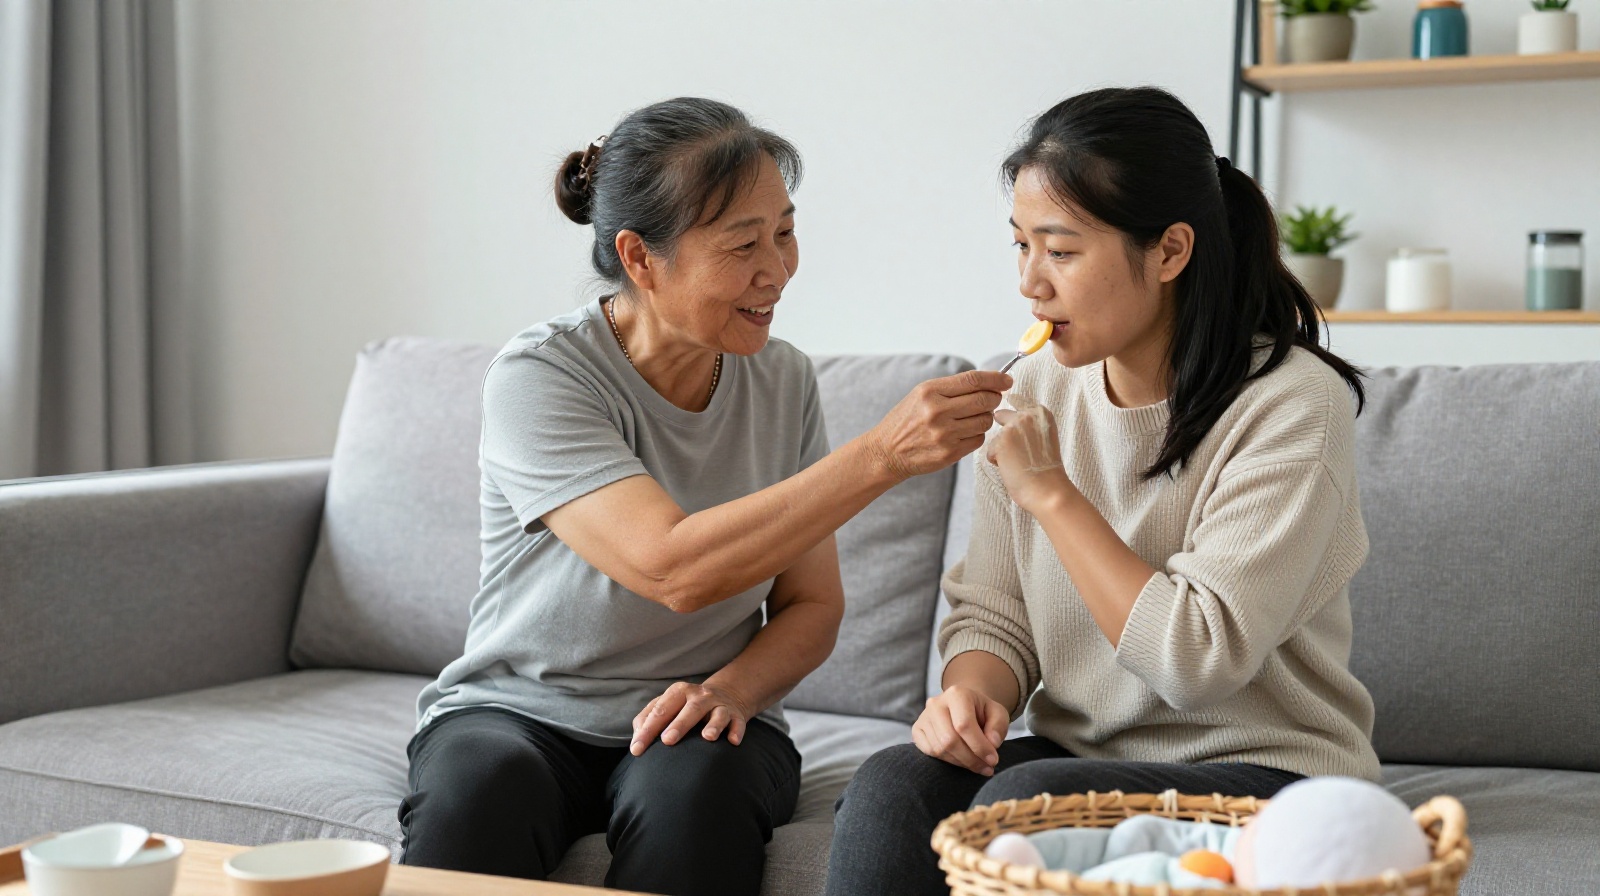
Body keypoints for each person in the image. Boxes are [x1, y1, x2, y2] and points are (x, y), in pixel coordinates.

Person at [397, 97, 1010, 896]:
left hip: (709, 718)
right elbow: (669, 567)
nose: (777, 270)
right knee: (479, 792)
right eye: (743, 245)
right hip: (519, 710)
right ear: (640, 258)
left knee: (694, 796)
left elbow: (812, 606)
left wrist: (731, 691)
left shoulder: (782, 379)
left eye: (784, 233)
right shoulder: (542, 377)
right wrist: (883, 455)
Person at [826, 86, 1382, 896]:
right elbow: (995, 613)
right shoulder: (1032, 390)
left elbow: (1196, 659)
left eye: (1060, 250)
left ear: (1168, 252)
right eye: (1020, 245)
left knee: (1028, 807)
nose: (1030, 283)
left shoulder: (1292, 404)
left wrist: (1053, 495)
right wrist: (970, 697)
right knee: (893, 789)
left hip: (1270, 773)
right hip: (1081, 757)